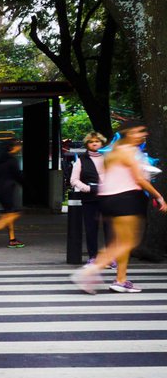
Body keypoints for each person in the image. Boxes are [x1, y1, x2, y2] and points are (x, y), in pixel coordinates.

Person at [71, 120, 167, 293]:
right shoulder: (128, 152)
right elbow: (139, 179)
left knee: (121, 241)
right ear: (129, 133)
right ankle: (90, 271)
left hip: (109, 199)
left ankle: (120, 280)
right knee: (128, 242)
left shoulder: (114, 151)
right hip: (126, 198)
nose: (143, 134)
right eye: (139, 131)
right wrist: (159, 197)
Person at [69, 131, 109, 265]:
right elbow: (74, 180)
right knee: (91, 228)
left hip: (108, 198)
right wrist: (88, 188)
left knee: (110, 229)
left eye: (97, 141)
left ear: (102, 143)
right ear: (87, 144)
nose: (94, 143)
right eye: (91, 142)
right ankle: (93, 256)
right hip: (89, 199)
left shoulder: (109, 158)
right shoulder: (81, 160)